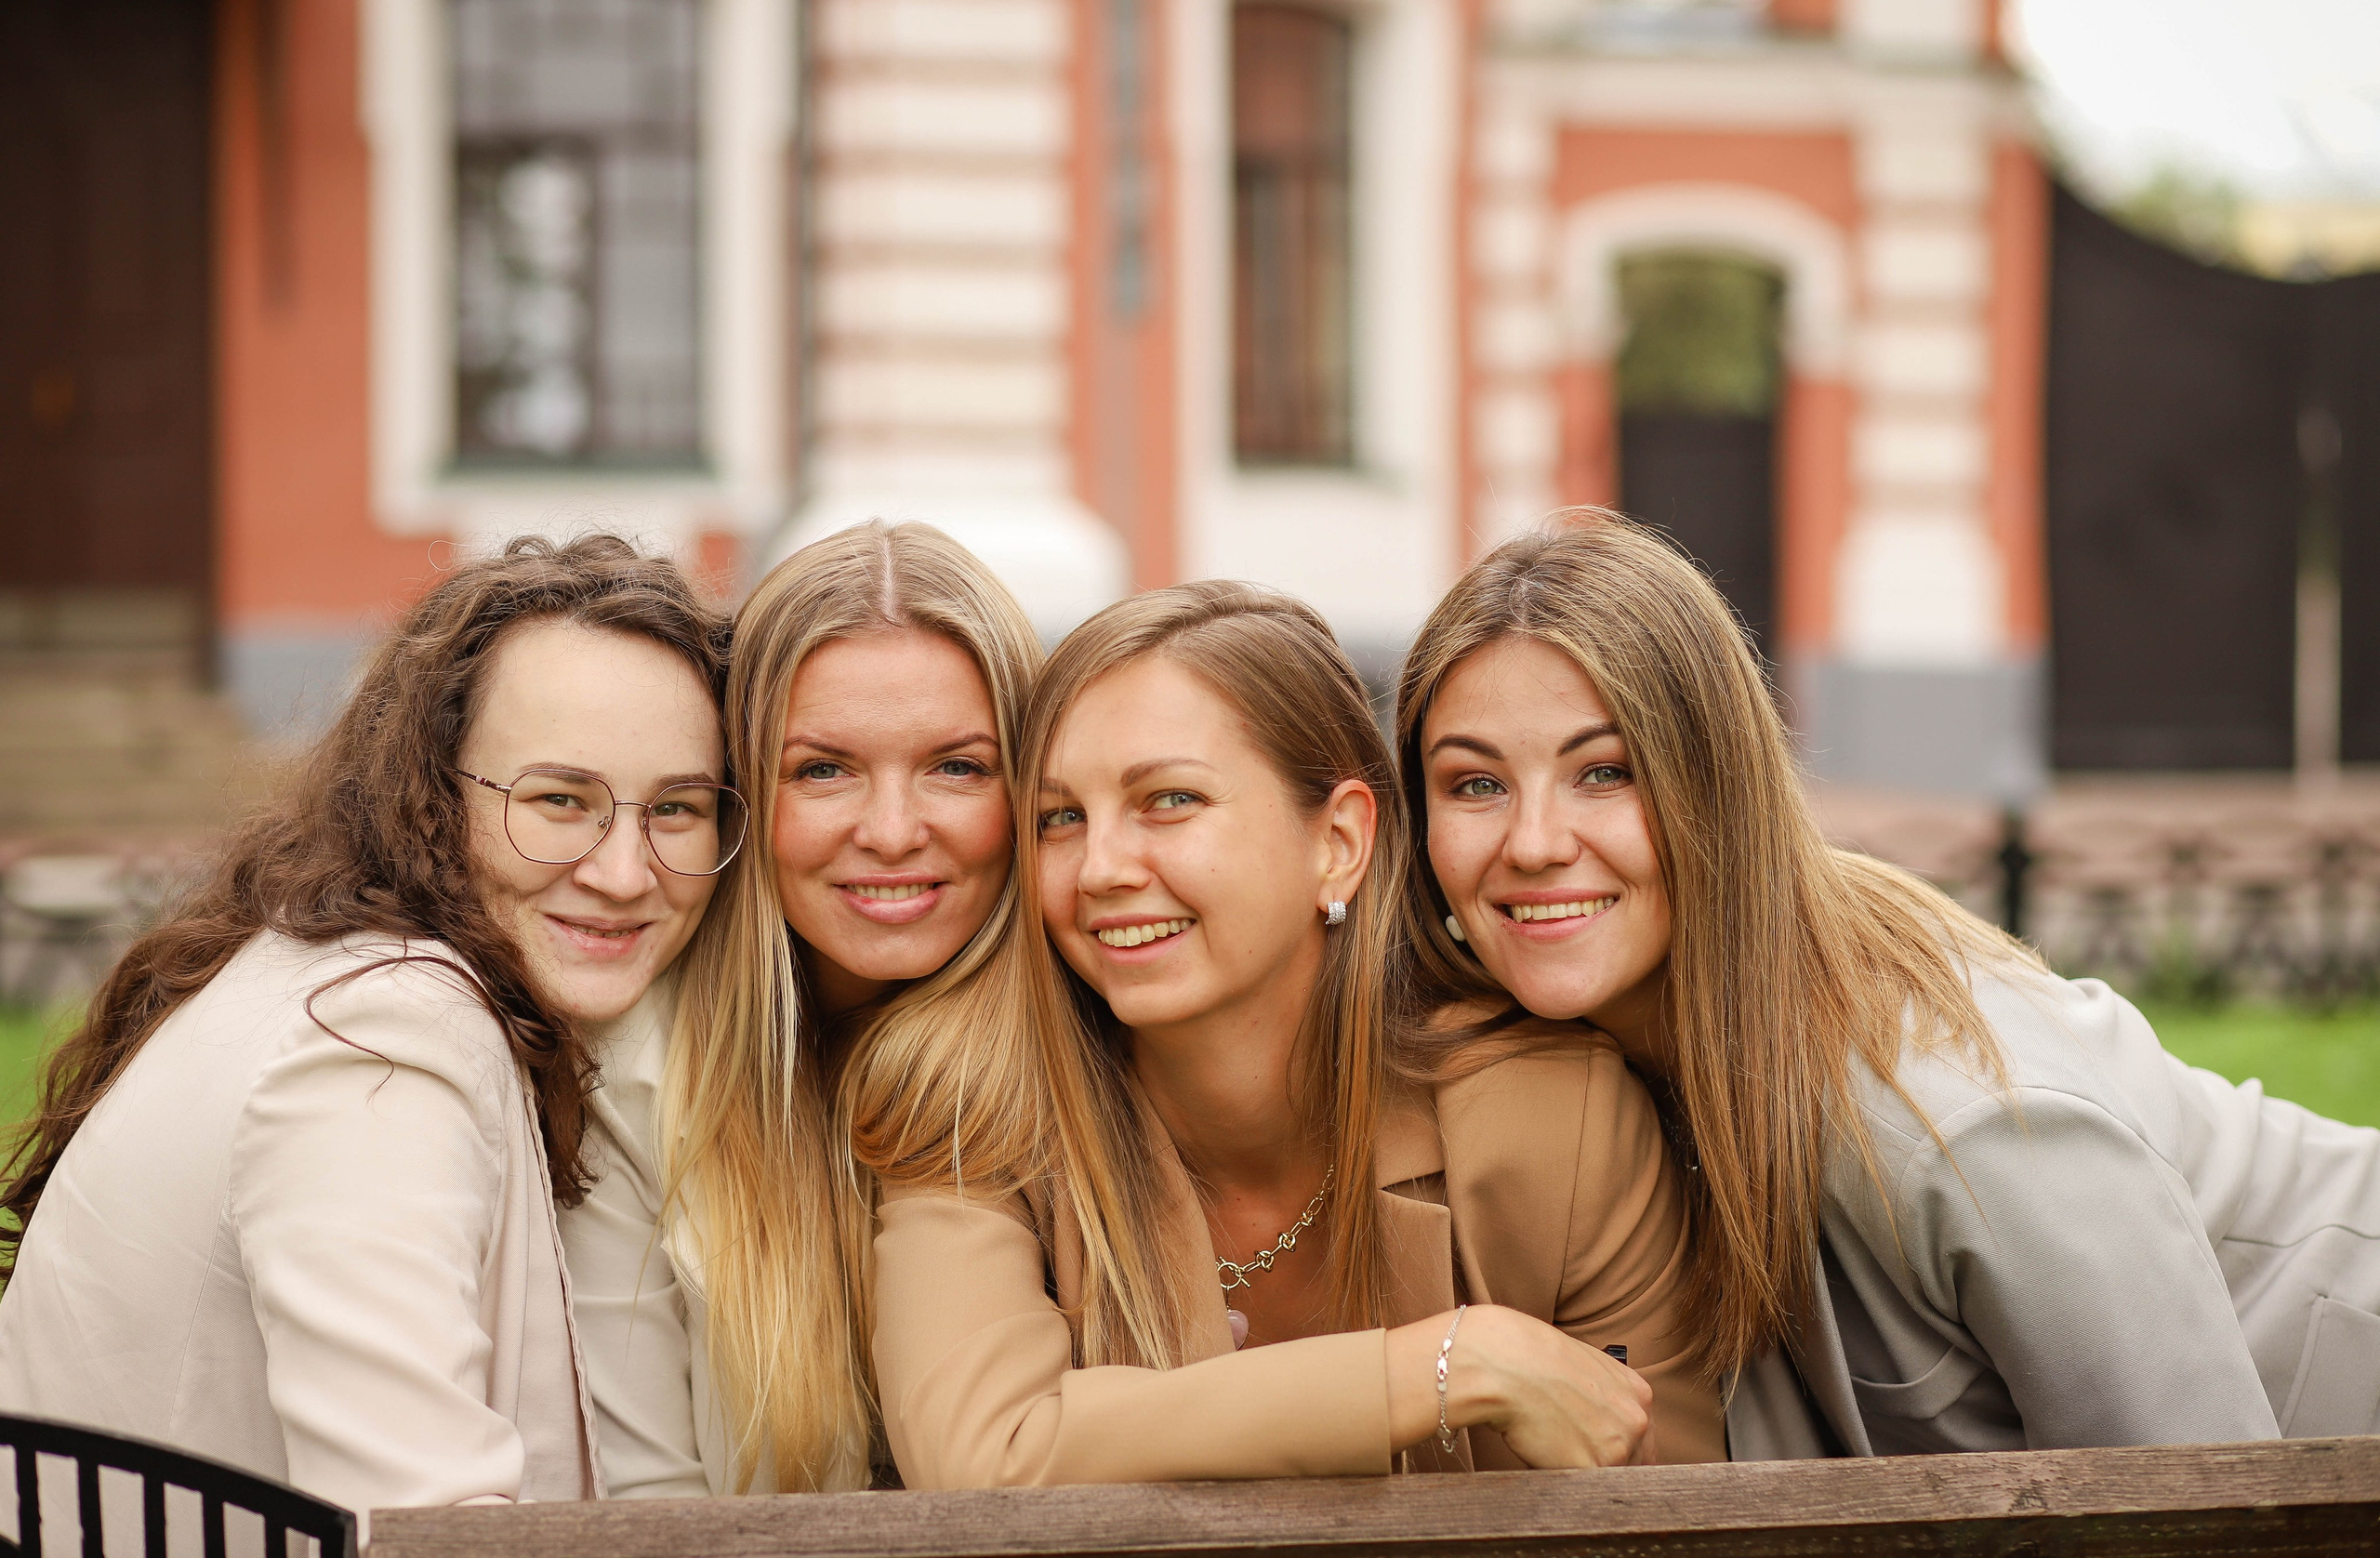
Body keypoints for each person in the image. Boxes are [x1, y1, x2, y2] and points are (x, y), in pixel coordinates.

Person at [1393, 511, 2380, 1458]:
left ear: (1717, 785)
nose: (1531, 844)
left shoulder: (1951, 1119)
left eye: (1603, 772)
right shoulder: (1558, 1067)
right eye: (1475, 784)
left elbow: (2196, 1502)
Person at [843, 580, 1725, 1491]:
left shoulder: (1555, 1121)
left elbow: (1672, 1511)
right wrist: (1445, 1366)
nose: (1098, 868)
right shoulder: (969, 1106)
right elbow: (980, 1459)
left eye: (1168, 800)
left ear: (1337, 841)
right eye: (1059, 818)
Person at [0, 536, 741, 1525]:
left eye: (679, 809)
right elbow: (423, 1527)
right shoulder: (384, 1042)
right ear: (431, 793)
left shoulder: (330, 965)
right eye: (559, 800)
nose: (624, 871)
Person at [559, 520, 1039, 1495]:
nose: (894, 832)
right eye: (823, 769)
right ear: (739, 787)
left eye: (958, 766)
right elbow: (649, 1502)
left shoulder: (1106, 1031)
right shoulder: (641, 1071)